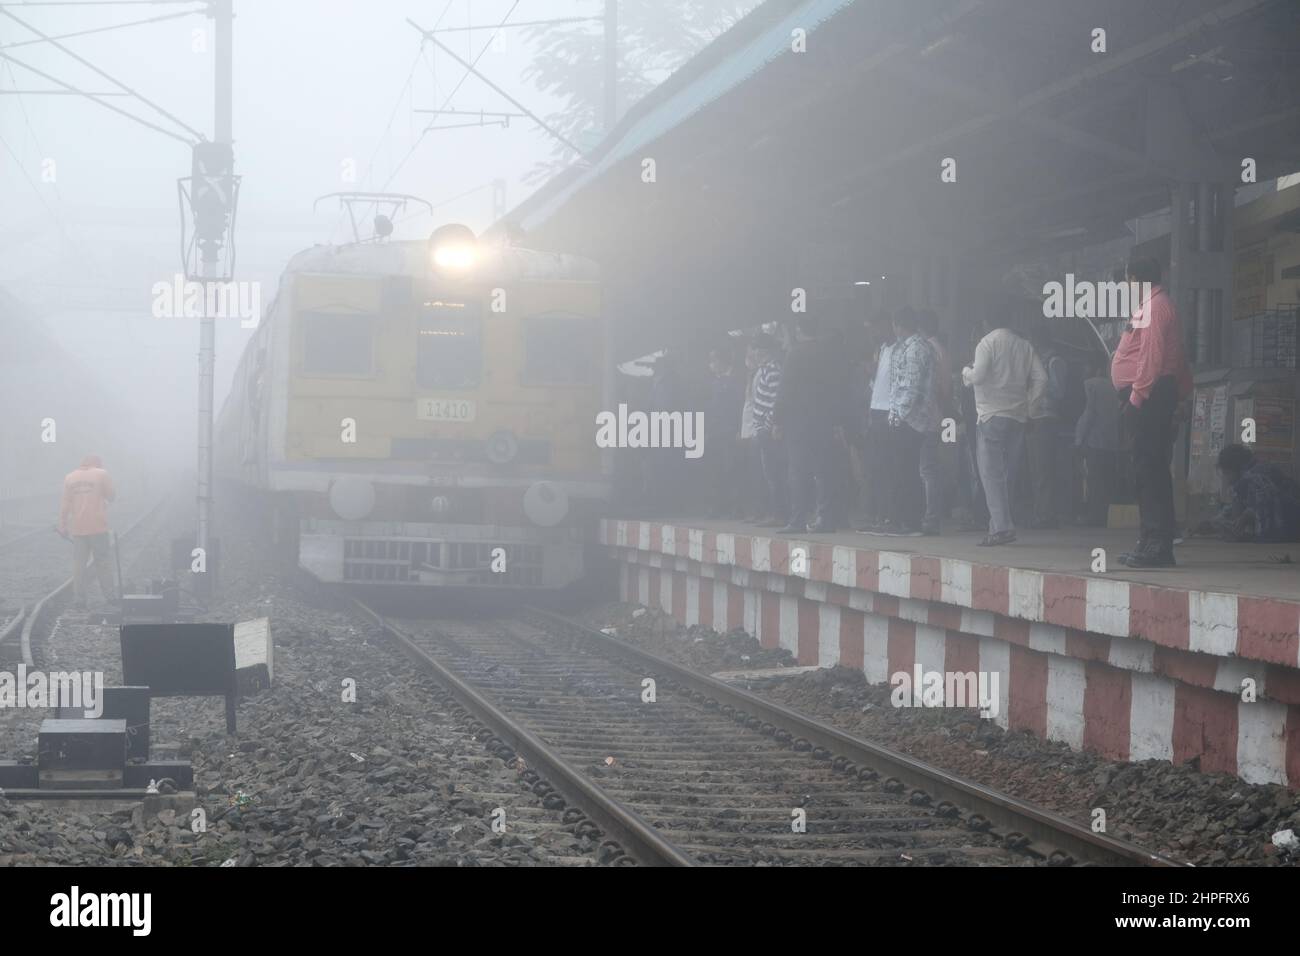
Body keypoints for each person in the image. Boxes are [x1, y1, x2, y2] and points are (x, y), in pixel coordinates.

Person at [1110, 256, 1193, 568]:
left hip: (1150, 396)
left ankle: (1157, 544)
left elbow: (1152, 357)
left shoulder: (1155, 307)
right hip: (1156, 395)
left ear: (1134, 279)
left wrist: (1136, 399)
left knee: (1150, 468)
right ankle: (1150, 541)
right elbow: (1177, 355)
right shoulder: (1153, 305)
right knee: (1149, 468)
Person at [962, 316, 1046, 546]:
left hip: (990, 416)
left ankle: (1001, 528)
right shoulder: (1024, 345)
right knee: (1008, 474)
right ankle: (998, 525)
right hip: (1017, 418)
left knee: (991, 475)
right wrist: (1031, 407)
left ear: (986, 323)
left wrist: (966, 373)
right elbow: (1041, 378)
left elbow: (978, 376)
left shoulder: (986, 343)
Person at [773, 314, 846, 533]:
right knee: (824, 470)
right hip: (823, 420)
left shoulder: (794, 354)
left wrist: (777, 420)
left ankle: (798, 519)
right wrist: (837, 421)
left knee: (798, 471)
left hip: (798, 422)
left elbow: (785, 390)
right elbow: (837, 389)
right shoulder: (830, 354)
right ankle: (825, 517)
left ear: (798, 331)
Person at [883, 307, 938, 536]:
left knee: (907, 470)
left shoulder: (916, 348)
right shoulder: (909, 347)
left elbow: (911, 386)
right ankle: (902, 519)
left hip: (910, 420)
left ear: (898, 324)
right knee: (903, 469)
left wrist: (899, 414)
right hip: (907, 418)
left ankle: (910, 522)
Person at [1192, 445, 1300, 543]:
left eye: (1226, 472)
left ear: (1233, 468)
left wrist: (1245, 519)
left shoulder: (1254, 478)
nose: (1225, 477)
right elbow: (1234, 511)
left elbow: (1266, 512)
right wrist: (1213, 524)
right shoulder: (1249, 478)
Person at [58, 454, 117, 609]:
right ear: (97, 464)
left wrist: (63, 525)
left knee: (79, 565)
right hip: (98, 527)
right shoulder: (101, 474)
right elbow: (111, 496)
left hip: (78, 528)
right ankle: (110, 597)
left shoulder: (69, 477)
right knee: (102, 562)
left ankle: (79, 599)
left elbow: (65, 504)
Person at [856, 312, 896, 532]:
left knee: (887, 467)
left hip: (891, 413)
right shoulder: (880, 350)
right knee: (874, 468)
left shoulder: (899, 348)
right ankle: (878, 515)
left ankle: (888, 516)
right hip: (876, 413)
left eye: (874, 328)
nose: (871, 333)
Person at [1027, 323, 1068, 529]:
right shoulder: (1036, 362)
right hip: (1033, 418)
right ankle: (1040, 512)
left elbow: (1060, 392)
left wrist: (1039, 386)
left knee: (1044, 469)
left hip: (1047, 418)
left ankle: (1047, 514)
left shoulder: (1054, 361)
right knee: (1036, 469)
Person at [1073, 359, 1121, 526]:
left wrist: (1079, 439)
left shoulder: (1090, 384)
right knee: (1106, 481)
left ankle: (1093, 518)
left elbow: (1088, 413)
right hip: (1112, 442)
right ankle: (1102, 517)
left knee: (1093, 481)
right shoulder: (1115, 387)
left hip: (1093, 440)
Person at [915, 309, 950, 535]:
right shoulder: (941, 349)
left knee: (927, 469)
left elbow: (934, 387)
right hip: (936, 415)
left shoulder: (928, 350)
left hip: (927, 417)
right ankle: (932, 514)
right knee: (931, 467)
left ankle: (931, 517)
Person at [749, 333, 788, 527]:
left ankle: (779, 513)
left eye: (754, 349)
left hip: (768, 431)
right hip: (762, 429)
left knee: (775, 474)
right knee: (770, 474)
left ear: (762, 350)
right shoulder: (764, 370)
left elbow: (775, 401)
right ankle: (777, 512)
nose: (753, 353)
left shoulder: (773, 370)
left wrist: (767, 426)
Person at [705, 345, 746, 518]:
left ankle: (736, 507)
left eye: (713, 360)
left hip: (730, 431)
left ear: (721, 361)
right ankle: (718, 507)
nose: (710, 364)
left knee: (732, 469)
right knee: (716, 471)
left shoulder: (735, 380)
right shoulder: (715, 382)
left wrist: (739, 428)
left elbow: (740, 406)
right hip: (716, 431)